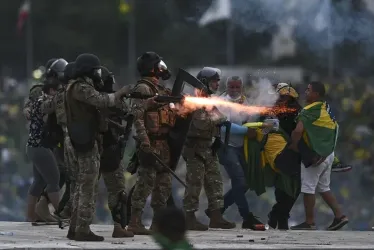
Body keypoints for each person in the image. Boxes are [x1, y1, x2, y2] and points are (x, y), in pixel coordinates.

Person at [64, 53, 131, 241]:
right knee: (88, 187)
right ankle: (82, 230)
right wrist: (120, 93)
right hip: (87, 142)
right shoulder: (80, 87)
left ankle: (75, 228)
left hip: (83, 140)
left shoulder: (75, 86)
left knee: (82, 185)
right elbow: (101, 100)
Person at [127, 51, 176, 235]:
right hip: (150, 143)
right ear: (151, 68)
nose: (162, 67)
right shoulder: (142, 89)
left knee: (163, 186)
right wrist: (144, 141)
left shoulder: (160, 90)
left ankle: (158, 224)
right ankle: (135, 222)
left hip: (164, 144)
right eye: (158, 64)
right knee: (145, 184)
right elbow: (137, 116)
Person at [289, 81, 348, 230]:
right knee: (324, 187)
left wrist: (294, 146)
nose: (305, 92)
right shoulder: (327, 108)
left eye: (308, 90)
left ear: (316, 94)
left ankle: (309, 222)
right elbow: (335, 128)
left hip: (316, 155)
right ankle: (340, 216)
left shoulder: (309, 110)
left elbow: (297, 131)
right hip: (328, 154)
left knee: (308, 188)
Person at [183, 67, 235, 231]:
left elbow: (219, 117)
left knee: (215, 182)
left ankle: (216, 217)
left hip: (209, 147)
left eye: (218, 81)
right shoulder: (194, 102)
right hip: (195, 149)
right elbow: (199, 125)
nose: (217, 84)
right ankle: (189, 218)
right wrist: (216, 121)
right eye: (214, 81)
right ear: (204, 82)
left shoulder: (208, 101)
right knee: (194, 184)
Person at [216, 76, 264, 229]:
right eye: (231, 87)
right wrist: (245, 131)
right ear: (226, 86)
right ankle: (247, 217)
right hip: (226, 146)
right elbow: (223, 126)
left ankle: (217, 211)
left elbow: (250, 120)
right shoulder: (222, 103)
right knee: (240, 182)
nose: (234, 90)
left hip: (241, 148)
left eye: (237, 87)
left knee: (246, 183)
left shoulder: (244, 101)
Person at [98, 66, 134, 238]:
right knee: (118, 191)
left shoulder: (93, 100)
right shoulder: (113, 100)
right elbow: (128, 114)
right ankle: (119, 227)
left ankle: (77, 225)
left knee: (84, 190)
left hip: (93, 151)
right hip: (110, 151)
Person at [25, 80, 62, 223]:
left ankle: (31, 216)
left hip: (33, 147)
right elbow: (50, 107)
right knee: (54, 180)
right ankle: (62, 213)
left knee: (39, 181)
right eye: (57, 90)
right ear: (51, 90)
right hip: (40, 147)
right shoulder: (42, 101)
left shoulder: (38, 101)